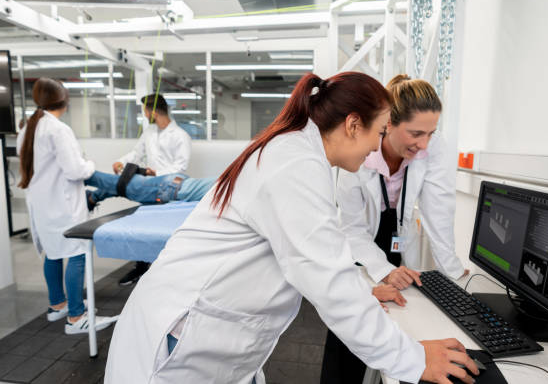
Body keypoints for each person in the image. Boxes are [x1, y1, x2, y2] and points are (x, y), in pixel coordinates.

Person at [104, 72, 478, 384]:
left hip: (210, 331)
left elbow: (316, 257)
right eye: (379, 133)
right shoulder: (295, 165)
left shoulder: (298, 152)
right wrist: (414, 359)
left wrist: (363, 292)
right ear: (352, 125)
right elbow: (328, 280)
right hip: (181, 338)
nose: (378, 146)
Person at [320, 75, 468, 383]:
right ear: (389, 124)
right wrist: (381, 269)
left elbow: (439, 212)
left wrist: (454, 274)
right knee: (354, 323)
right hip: (359, 245)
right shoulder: (358, 152)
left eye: (431, 133)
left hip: (399, 239)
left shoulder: (432, 146)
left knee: (399, 317)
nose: (424, 143)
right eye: (416, 133)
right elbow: (351, 228)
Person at [17, 78, 114, 335]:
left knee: (53, 251)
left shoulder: (28, 128)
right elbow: (75, 170)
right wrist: (90, 164)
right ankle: (75, 317)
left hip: (43, 206)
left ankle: (58, 304)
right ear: (64, 100)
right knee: (77, 252)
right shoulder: (58, 129)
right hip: (64, 205)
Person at [113, 94, 193, 285]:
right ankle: (140, 269)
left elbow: (181, 168)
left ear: (153, 112)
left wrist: (155, 171)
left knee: (165, 232)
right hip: (149, 188)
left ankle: (166, 272)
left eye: (145, 111)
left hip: (170, 190)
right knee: (143, 229)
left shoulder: (181, 136)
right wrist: (121, 161)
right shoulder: (149, 132)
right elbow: (136, 153)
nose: (144, 114)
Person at [84, 165, 216, 207]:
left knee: (123, 187)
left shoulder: (229, 181)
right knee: (120, 185)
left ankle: (92, 197)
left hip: (174, 183)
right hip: (169, 188)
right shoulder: (235, 191)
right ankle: (82, 174)